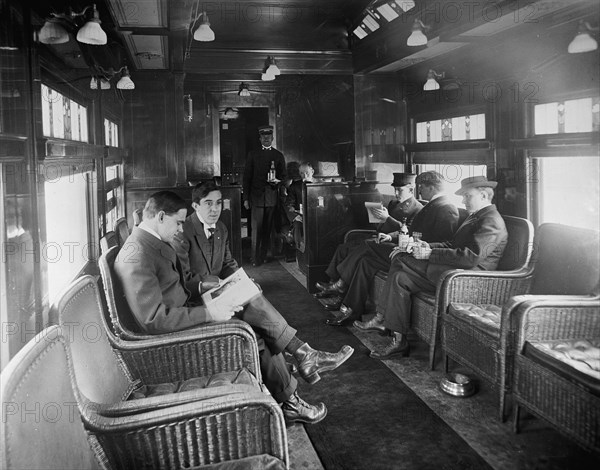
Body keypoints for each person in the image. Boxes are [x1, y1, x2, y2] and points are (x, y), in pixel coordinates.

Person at [116, 190, 354, 424]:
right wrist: (209, 312)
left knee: (247, 300)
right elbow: (154, 320)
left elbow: (174, 288)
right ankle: (295, 388)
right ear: (160, 217)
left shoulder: (149, 242)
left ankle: (301, 363)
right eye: (178, 223)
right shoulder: (137, 255)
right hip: (173, 338)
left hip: (185, 312)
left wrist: (213, 291)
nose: (181, 229)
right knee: (255, 333)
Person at [367, 176, 508, 359]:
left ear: (483, 195)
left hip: (468, 279)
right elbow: (452, 244)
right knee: (399, 278)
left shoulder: (492, 221)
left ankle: (381, 318)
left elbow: (470, 257)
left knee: (400, 258)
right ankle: (398, 340)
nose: (463, 201)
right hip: (453, 272)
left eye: (467, 196)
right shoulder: (476, 217)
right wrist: (427, 246)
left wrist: (429, 254)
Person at [322, 171, 460, 326]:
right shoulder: (432, 206)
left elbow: (443, 243)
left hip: (416, 258)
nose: (419, 190)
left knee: (369, 245)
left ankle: (341, 284)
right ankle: (350, 309)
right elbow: (409, 229)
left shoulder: (445, 208)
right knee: (366, 262)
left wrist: (415, 246)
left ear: (432, 188)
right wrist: (390, 236)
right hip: (407, 250)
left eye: (421, 187)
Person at [314, 172, 423, 301]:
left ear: (411, 189)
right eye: (395, 189)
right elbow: (381, 226)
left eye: (400, 190)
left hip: (395, 244)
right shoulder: (393, 203)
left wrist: (387, 218)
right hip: (381, 236)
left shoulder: (418, 209)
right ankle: (333, 284)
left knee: (360, 251)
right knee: (344, 248)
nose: (396, 193)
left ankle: (340, 287)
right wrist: (378, 219)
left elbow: (407, 232)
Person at [243, 125, 286, 266]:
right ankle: (255, 258)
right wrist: (246, 199)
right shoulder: (253, 154)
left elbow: (284, 177)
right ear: (260, 138)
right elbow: (247, 178)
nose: (266, 139)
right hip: (256, 198)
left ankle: (262, 256)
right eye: (263, 137)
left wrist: (278, 181)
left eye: (269, 137)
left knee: (267, 230)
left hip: (271, 199)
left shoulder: (278, 155)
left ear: (272, 138)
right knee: (256, 229)